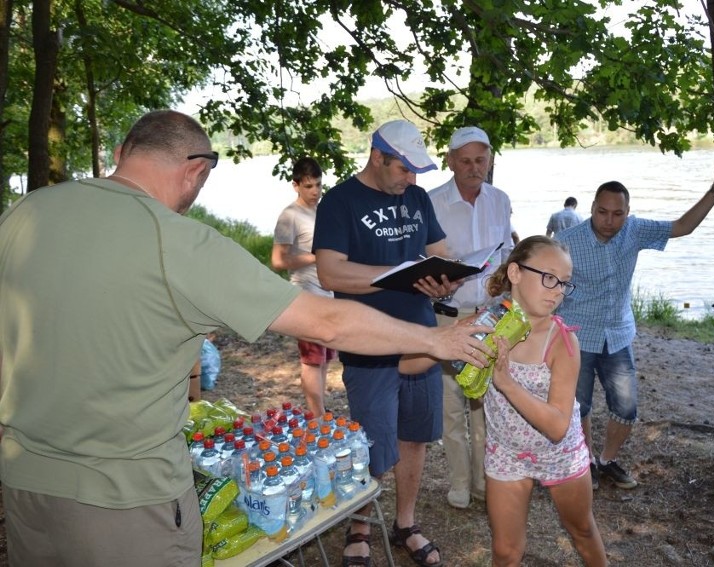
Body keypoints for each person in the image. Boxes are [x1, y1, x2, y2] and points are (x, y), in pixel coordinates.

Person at [0, 110, 492, 567]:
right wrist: (435, 341)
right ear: (196, 170)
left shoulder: (25, 213)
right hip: (125, 499)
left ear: (125, 150)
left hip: (23, 480)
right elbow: (327, 322)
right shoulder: (176, 240)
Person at [314, 119, 467, 567]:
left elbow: (438, 252)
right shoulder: (340, 201)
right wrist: (395, 278)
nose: (411, 180)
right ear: (378, 157)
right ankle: (360, 524)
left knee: (414, 438)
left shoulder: (417, 198)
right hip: (369, 344)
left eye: (417, 171)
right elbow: (331, 273)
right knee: (373, 444)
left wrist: (445, 281)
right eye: (403, 169)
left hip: (423, 341)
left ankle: (405, 522)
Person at [401, 236, 607, 567]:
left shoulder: (563, 341)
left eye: (565, 283)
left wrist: (507, 384)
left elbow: (557, 426)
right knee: (506, 552)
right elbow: (406, 365)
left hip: (561, 455)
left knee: (581, 531)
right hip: (507, 454)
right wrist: (442, 342)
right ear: (515, 272)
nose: (557, 291)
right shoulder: (485, 324)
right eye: (549, 277)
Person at [554, 168, 714, 490]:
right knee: (579, 405)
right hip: (577, 334)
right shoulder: (566, 242)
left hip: (617, 334)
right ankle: (584, 461)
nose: (609, 220)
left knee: (626, 406)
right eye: (602, 212)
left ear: (627, 213)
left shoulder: (635, 230)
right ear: (591, 208)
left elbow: (683, 227)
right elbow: (542, 280)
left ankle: (607, 460)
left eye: (617, 213)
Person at [428, 126, 514, 509]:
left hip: (489, 315)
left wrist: (506, 293)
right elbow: (421, 263)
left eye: (480, 160)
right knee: (450, 403)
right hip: (448, 315)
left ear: (490, 159)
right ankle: (459, 482)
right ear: (450, 161)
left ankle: (483, 481)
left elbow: (506, 253)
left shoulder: (500, 200)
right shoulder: (431, 202)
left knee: (484, 403)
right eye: (465, 161)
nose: (473, 168)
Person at [271, 156, 334, 417]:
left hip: (329, 294)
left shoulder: (325, 210)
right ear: (295, 185)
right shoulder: (290, 216)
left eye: (318, 185)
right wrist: (316, 257)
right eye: (308, 186)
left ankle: (320, 411)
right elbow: (277, 261)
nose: (315, 192)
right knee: (312, 360)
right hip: (306, 294)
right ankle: (317, 416)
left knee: (326, 358)